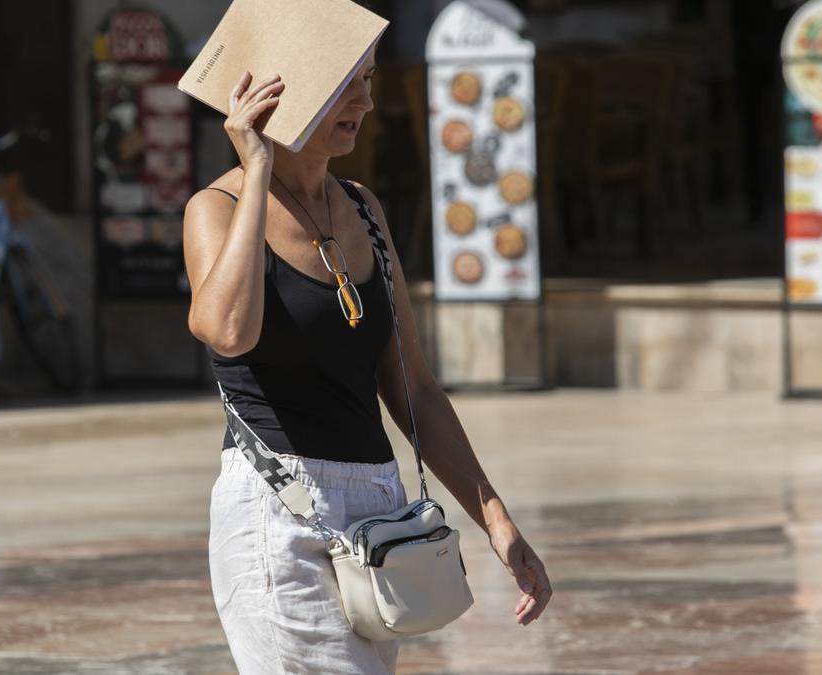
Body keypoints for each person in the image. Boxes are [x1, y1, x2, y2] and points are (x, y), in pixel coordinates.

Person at [183, 42, 553, 674]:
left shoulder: (362, 208)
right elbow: (227, 331)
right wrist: (258, 171)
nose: (365, 101)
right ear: (279, 93)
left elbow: (412, 386)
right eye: (342, 84)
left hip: (378, 516)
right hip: (280, 512)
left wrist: (494, 518)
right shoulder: (215, 208)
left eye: (368, 81)